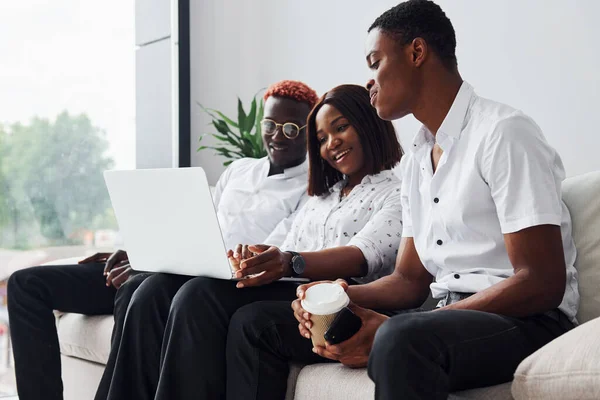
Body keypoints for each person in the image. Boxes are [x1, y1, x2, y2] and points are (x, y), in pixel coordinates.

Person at [226, 1, 579, 399]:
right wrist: (332, 297)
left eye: (375, 63)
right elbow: (409, 282)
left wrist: (414, 323)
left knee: (399, 337)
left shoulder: (503, 133)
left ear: (416, 52)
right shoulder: (416, 161)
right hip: (441, 316)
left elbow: (541, 282)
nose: (370, 81)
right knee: (258, 323)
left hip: (528, 320)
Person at [7, 79, 319, 400]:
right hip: (171, 263)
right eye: (270, 124)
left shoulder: (309, 189)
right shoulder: (238, 170)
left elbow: (267, 256)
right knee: (25, 285)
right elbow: (194, 225)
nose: (277, 135)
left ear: (309, 132)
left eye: (292, 129)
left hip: (207, 280)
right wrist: (142, 249)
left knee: (142, 291)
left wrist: (165, 264)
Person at [98, 84, 404, 400]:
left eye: (340, 128)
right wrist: (256, 258)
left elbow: (363, 254)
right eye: (322, 138)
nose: (331, 143)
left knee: (199, 295)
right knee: (156, 288)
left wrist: (289, 260)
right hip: (293, 285)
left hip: (335, 296)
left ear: (368, 123)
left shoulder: (395, 193)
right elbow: (285, 243)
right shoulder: (322, 197)